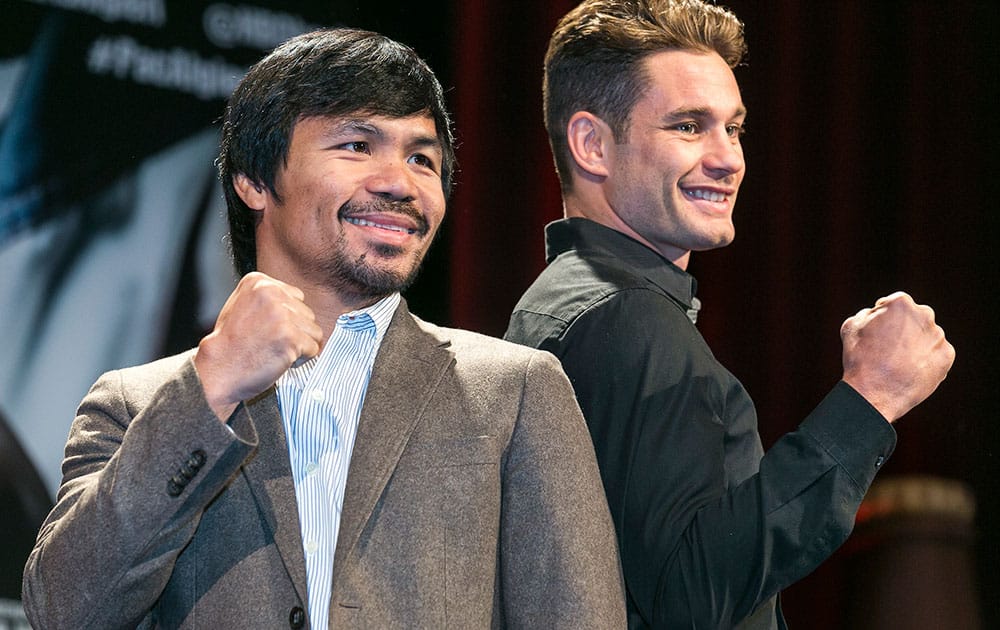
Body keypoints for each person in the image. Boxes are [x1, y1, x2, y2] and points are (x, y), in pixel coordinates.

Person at [22, 28, 626, 629]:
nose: (400, 182)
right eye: (357, 146)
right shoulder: (135, 404)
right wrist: (211, 388)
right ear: (254, 181)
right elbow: (63, 610)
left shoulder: (516, 391)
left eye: (422, 158)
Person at [504, 1, 955, 628]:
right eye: (689, 127)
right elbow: (691, 596)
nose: (728, 159)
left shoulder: (565, 301)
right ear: (592, 144)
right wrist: (870, 398)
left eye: (733, 128)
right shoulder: (629, 320)